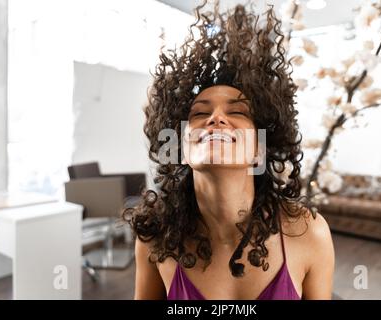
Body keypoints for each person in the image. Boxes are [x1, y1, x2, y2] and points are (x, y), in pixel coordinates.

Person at [124, 2, 334, 300]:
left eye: (236, 112)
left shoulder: (307, 232)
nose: (216, 118)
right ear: (182, 148)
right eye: (199, 113)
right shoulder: (156, 236)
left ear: (259, 150)